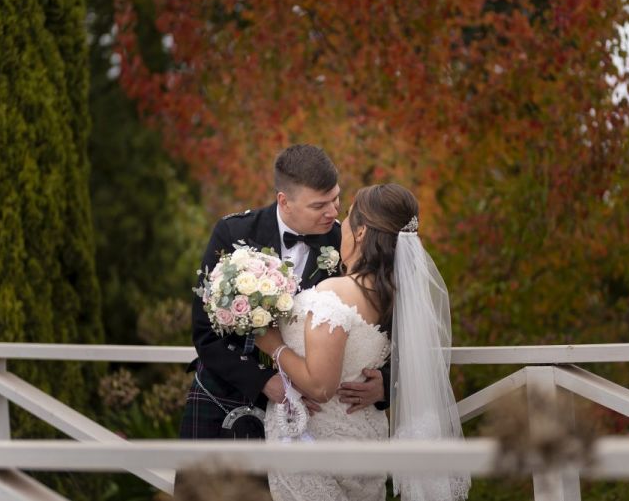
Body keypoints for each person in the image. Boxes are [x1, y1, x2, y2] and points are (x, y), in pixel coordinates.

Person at [256, 184, 470, 501]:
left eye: (346, 216)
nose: (340, 224)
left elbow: (320, 386)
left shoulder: (334, 294)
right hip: (364, 443)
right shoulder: (395, 299)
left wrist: (274, 345)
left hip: (315, 449)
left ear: (360, 232)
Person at [179, 144, 389, 440]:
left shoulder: (348, 245)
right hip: (226, 395)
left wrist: (387, 383)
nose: (333, 212)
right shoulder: (233, 233)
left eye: (336, 198)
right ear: (284, 200)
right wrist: (263, 381)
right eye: (319, 205)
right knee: (209, 488)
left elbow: (383, 320)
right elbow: (205, 330)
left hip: (314, 416)